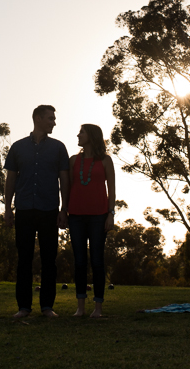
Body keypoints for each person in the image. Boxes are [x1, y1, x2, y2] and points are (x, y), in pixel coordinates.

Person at [3, 105, 70, 318]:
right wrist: (7, 209)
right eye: (50, 118)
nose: (54, 122)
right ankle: (23, 307)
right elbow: (11, 179)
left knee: (49, 259)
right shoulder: (18, 148)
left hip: (49, 210)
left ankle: (47, 307)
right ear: (38, 118)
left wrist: (64, 209)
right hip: (23, 209)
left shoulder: (59, 148)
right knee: (24, 259)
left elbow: (64, 180)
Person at [62, 124, 115, 318]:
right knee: (79, 261)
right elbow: (66, 187)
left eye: (81, 132)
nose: (78, 135)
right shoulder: (73, 160)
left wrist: (111, 214)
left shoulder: (106, 161)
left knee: (97, 261)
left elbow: (112, 190)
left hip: (99, 216)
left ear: (91, 136)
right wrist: (64, 210)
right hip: (75, 215)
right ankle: (80, 307)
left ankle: (98, 308)